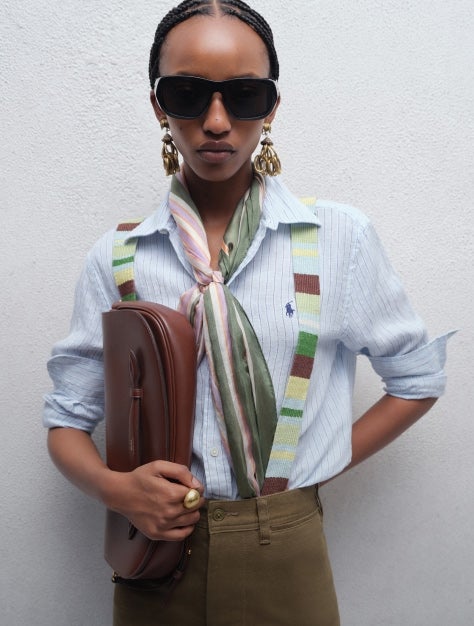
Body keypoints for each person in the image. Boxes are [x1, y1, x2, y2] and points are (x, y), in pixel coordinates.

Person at [43, 1, 452, 625]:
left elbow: (417, 379)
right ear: (158, 106)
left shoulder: (336, 238)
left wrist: (316, 466)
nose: (216, 121)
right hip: (156, 557)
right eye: (187, 94)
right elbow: (67, 419)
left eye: (244, 96)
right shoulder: (119, 257)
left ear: (272, 106)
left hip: (287, 552)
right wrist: (121, 492)